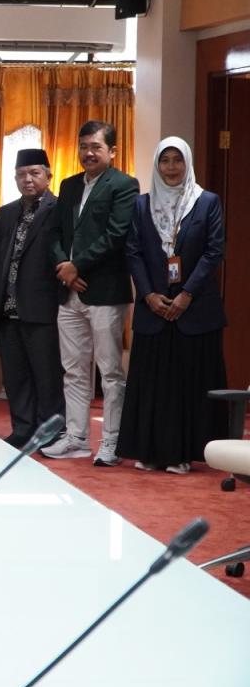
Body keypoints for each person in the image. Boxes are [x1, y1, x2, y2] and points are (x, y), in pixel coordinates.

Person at [119, 137, 226, 474]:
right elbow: (132, 251)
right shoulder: (141, 204)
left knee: (186, 385)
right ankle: (150, 452)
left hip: (194, 310)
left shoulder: (207, 202)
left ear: (187, 163)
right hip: (154, 308)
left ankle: (183, 453)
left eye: (177, 160)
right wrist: (148, 294)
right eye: (164, 160)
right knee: (152, 384)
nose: (171, 168)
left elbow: (214, 252)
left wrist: (186, 294)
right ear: (156, 165)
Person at [42, 120, 139, 466]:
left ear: (112, 151)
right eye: (84, 146)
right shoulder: (68, 186)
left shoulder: (124, 185)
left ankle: (111, 442)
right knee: (74, 370)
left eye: (96, 147)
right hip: (69, 293)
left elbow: (115, 235)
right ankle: (76, 438)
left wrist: (76, 266)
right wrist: (64, 270)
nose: (88, 153)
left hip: (106, 293)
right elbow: (54, 234)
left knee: (110, 371)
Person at [0, 148, 64, 447]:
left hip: (42, 307)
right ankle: (22, 429)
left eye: (34, 173)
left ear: (48, 174)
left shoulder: (59, 209)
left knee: (46, 375)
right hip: (8, 307)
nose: (27, 180)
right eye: (21, 174)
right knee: (15, 375)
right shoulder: (6, 213)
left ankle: (50, 432)